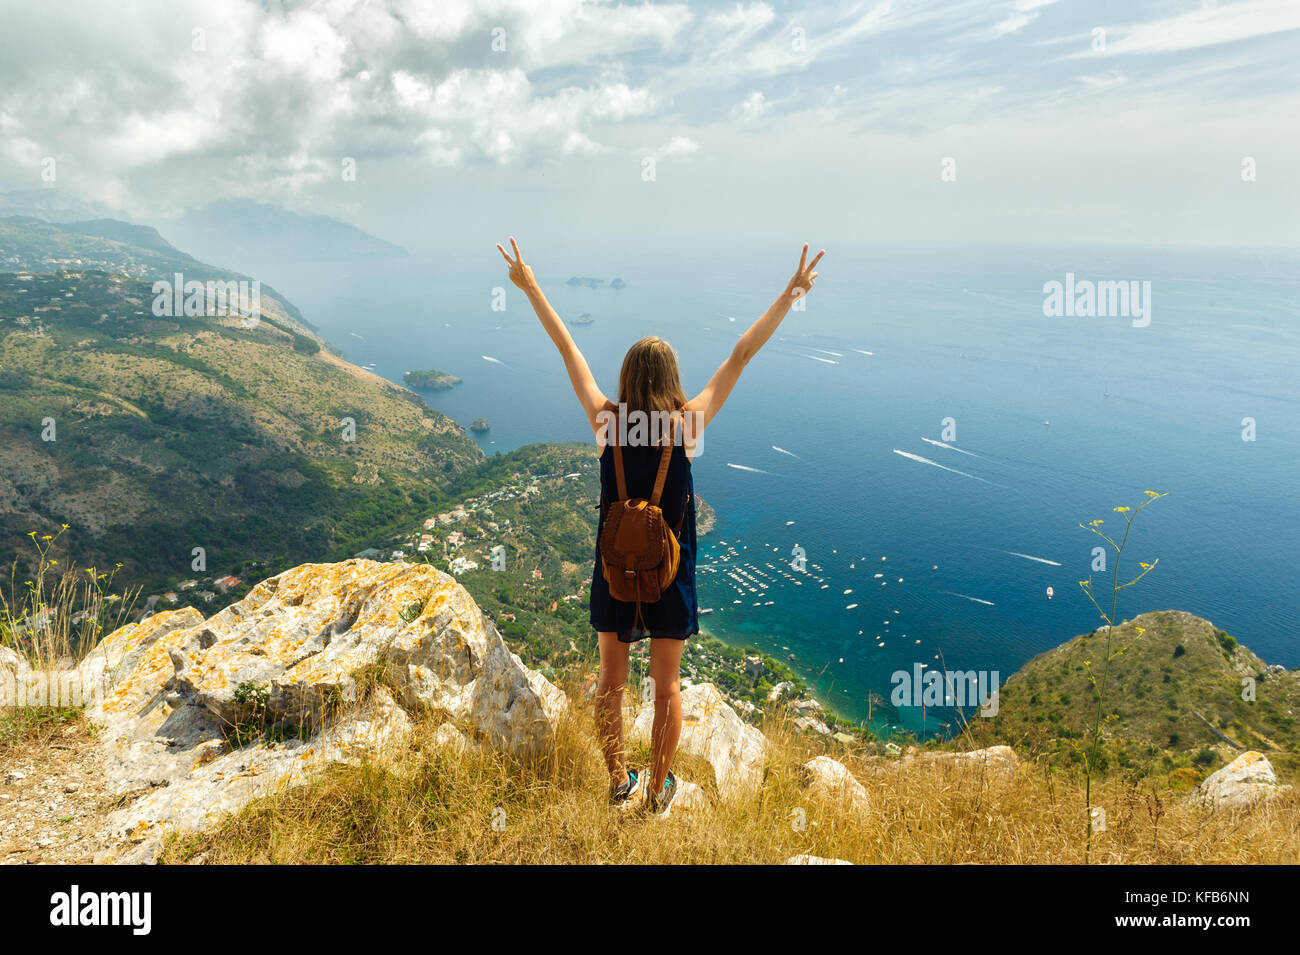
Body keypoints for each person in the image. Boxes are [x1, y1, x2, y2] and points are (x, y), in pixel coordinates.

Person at [496, 237, 824, 816]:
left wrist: (530, 286)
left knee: (611, 679)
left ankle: (616, 780)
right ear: (670, 377)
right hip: (670, 573)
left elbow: (567, 346)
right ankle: (656, 790)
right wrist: (791, 292)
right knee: (666, 686)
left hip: (616, 568)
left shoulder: (606, 422)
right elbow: (741, 355)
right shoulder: (687, 425)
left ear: (626, 377)